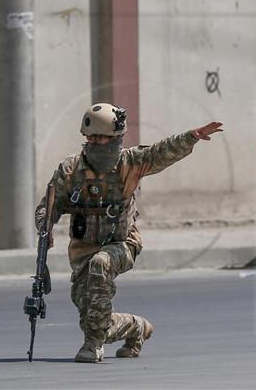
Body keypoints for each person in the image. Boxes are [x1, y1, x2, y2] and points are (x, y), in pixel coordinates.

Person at [34, 103, 223, 363]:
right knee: (91, 315)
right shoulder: (70, 170)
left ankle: (93, 346)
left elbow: (161, 152)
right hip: (83, 248)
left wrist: (191, 137)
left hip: (122, 243)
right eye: (91, 138)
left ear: (116, 139)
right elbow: (49, 206)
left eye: (102, 138)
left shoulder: (131, 162)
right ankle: (135, 327)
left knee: (100, 266)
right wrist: (45, 224)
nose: (95, 143)